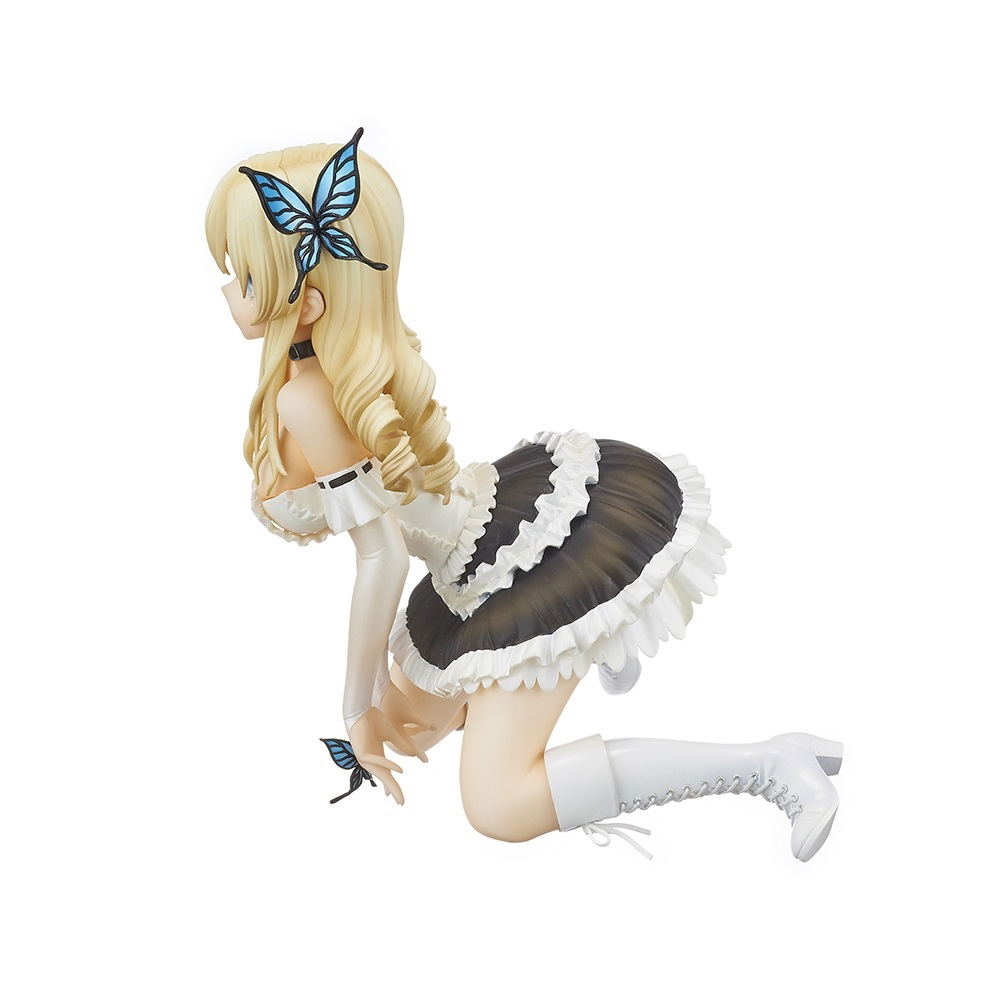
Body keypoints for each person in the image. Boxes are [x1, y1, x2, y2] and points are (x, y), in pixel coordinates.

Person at [204, 129, 842, 861]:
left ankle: (771, 763)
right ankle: (591, 645)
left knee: (500, 803)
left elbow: (381, 558)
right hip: (477, 556)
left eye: (244, 276)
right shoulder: (319, 375)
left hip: (520, 556)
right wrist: (373, 696)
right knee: (411, 721)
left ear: (309, 300)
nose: (227, 292)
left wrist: (352, 706)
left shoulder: (308, 399)